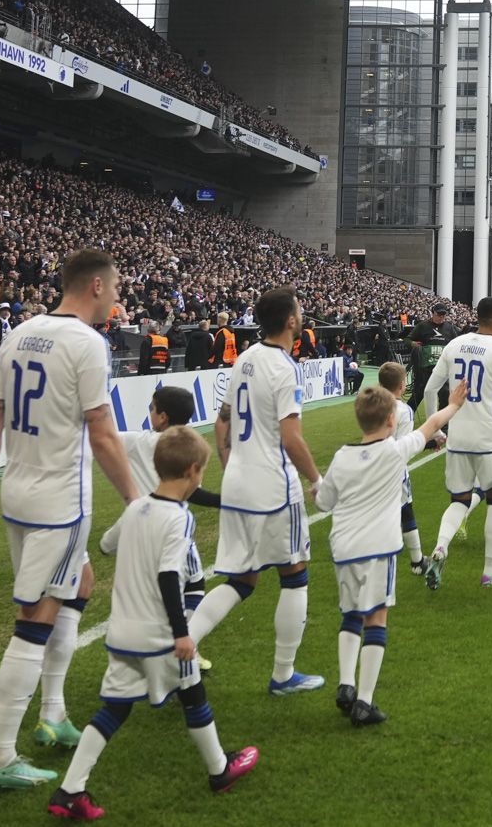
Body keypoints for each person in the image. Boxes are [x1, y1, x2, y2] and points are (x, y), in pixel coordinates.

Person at [0, 249, 140, 794]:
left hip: (19, 492)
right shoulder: (87, 344)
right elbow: (102, 431)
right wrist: (138, 501)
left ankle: (53, 713)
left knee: (81, 583)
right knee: (36, 617)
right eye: (115, 288)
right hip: (59, 502)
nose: (117, 297)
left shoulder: (18, 334)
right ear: (95, 285)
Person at [46, 427, 260, 820]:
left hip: (121, 633)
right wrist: (181, 633)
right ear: (194, 471)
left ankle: (69, 790)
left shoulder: (136, 507)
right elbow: (167, 576)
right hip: (158, 634)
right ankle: (219, 770)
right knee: (193, 694)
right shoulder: (178, 518)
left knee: (113, 710)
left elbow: (108, 545)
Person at [192, 288, 326, 696]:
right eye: (299, 311)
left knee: (242, 579)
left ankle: (177, 648)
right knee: (295, 573)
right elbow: (290, 438)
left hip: (239, 481)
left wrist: (231, 460)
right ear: (290, 321)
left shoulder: (245, 357)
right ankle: (283, 674)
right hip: (273, 485)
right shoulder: (284, 367)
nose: (301, 316)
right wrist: (318, 480)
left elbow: (222, 420)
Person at [315, 382, 465, 726]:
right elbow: (430, 426)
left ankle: (345, 685)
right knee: (376, 618)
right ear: (390, 422)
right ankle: (364, 702)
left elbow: (324, 502)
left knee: (351, 614)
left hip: (343, 548)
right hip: (377, 548)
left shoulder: (341, 456)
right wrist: (454, 405)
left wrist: (315, 487)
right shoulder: (394, 452)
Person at [101, 386, 221, 668]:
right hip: (173, 528)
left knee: (156, 594)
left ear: (163, 417)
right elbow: (194, 493)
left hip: (137, 529)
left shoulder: (138, 440)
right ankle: (183, 646)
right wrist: (226, 502)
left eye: (152, 408)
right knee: (192, 585)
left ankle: (167, 648)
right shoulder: (187, 447)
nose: (150, 413)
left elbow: (103, 440)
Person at [420, 296, 492, 589]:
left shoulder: (454, 344)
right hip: (488, 434)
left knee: (459, 500)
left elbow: (430, 389)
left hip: (458, 434)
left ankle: (441, 547)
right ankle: (490, 571)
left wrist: (436, 430)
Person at [373, 363, 429, 576]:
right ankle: (417, 561)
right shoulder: (404, 410)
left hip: (373, 465)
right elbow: (407, 446)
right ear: (401, 384)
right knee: (406, 511)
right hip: (395, 468)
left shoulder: (373, 404)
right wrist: (430, 443)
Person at [404, 303, 454, 413]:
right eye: (439, 314)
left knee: (445, 394)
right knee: (419, 393)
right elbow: (407, 340)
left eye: (443, 315)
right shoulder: (423, 326)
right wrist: (413, 344)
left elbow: (458, 341)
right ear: (433, 313)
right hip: (424, 368)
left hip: (442, 368)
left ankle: (442, 422)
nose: (441, 317)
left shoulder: (449, 328)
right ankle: (406, 416)